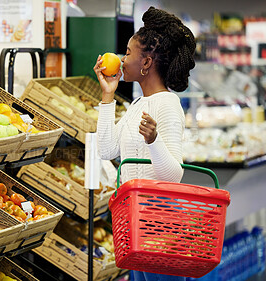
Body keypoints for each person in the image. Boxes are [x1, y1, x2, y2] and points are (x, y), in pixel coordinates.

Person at [93, 6, 196, 281]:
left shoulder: (168, 105)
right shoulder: (138, 104)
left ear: (147, 62)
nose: (121, 59)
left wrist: (154, 140)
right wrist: (107, 96)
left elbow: (174, 175)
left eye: (127, 53)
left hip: (160, 224)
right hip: (135, 220)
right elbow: (106, 150)